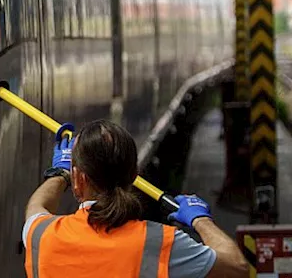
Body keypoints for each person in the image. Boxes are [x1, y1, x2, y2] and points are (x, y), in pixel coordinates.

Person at [24, 119, 249, 278]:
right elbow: (237, 267)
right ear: (133, 175)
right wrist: (200, 220)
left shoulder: (41, 235)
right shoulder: (160, 242)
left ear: (79, 179)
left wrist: (60, 173)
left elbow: (37, 205)